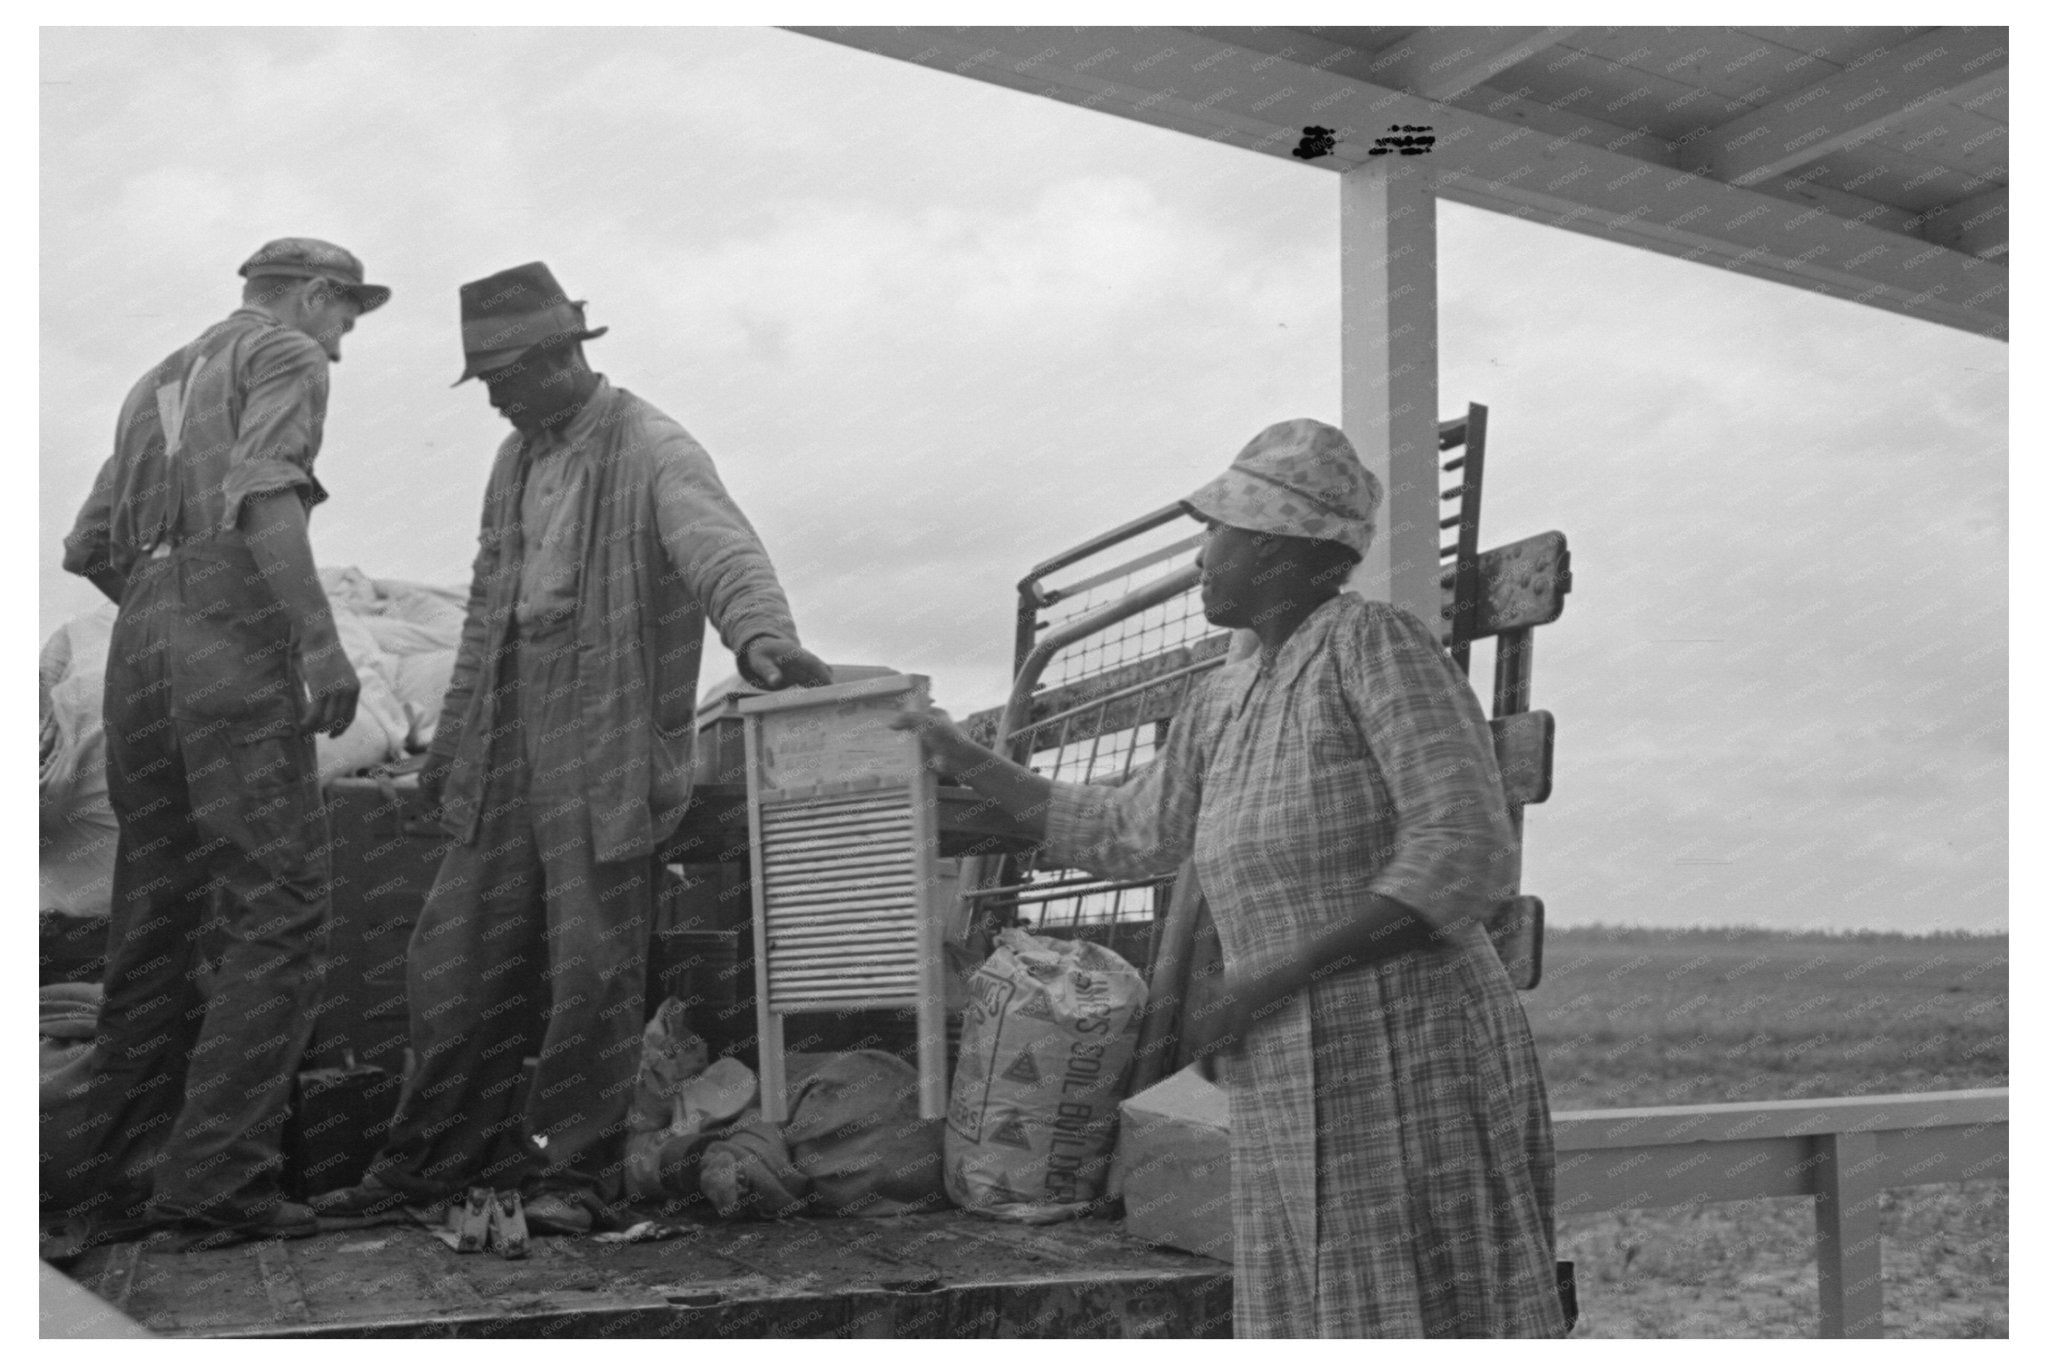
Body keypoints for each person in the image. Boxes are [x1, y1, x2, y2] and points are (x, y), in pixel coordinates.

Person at [892, 419, 1568, 1337]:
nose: (1204, 556)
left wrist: (1268, 979)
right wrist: (965, 757)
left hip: (1414, 1051)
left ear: (1284, 550)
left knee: (1430, 1317)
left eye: (1222, 532)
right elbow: (1130, 830)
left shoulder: (1376, 646)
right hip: (1293, 1066)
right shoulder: (1228, 690)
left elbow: (1464, 849)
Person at [314, 262, 831, 1234]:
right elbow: (483, 619)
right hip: (510, 733)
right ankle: (424, 1162)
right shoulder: (514, 459)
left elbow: (715, 542)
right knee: (451, 958)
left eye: (505, 376)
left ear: (559, 354)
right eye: (487, 383)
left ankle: (572, 1174)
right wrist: (454, 755)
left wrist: (758, 634)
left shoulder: (649, 444)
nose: (496, 398)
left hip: (602, 738)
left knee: (593, 972)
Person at [58, 238, 389, 1242]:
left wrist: (165, 609)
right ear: (313, 295)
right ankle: (212, 1189)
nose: (340, 346)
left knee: (151, 925)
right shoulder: (278, 357)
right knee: (278, 913)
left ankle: (107, 1185)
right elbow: (263, 497)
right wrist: (316, 646)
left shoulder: (152, 379)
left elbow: (88, 547)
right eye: (345, 319)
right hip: (226, 636)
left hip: (140, 650)